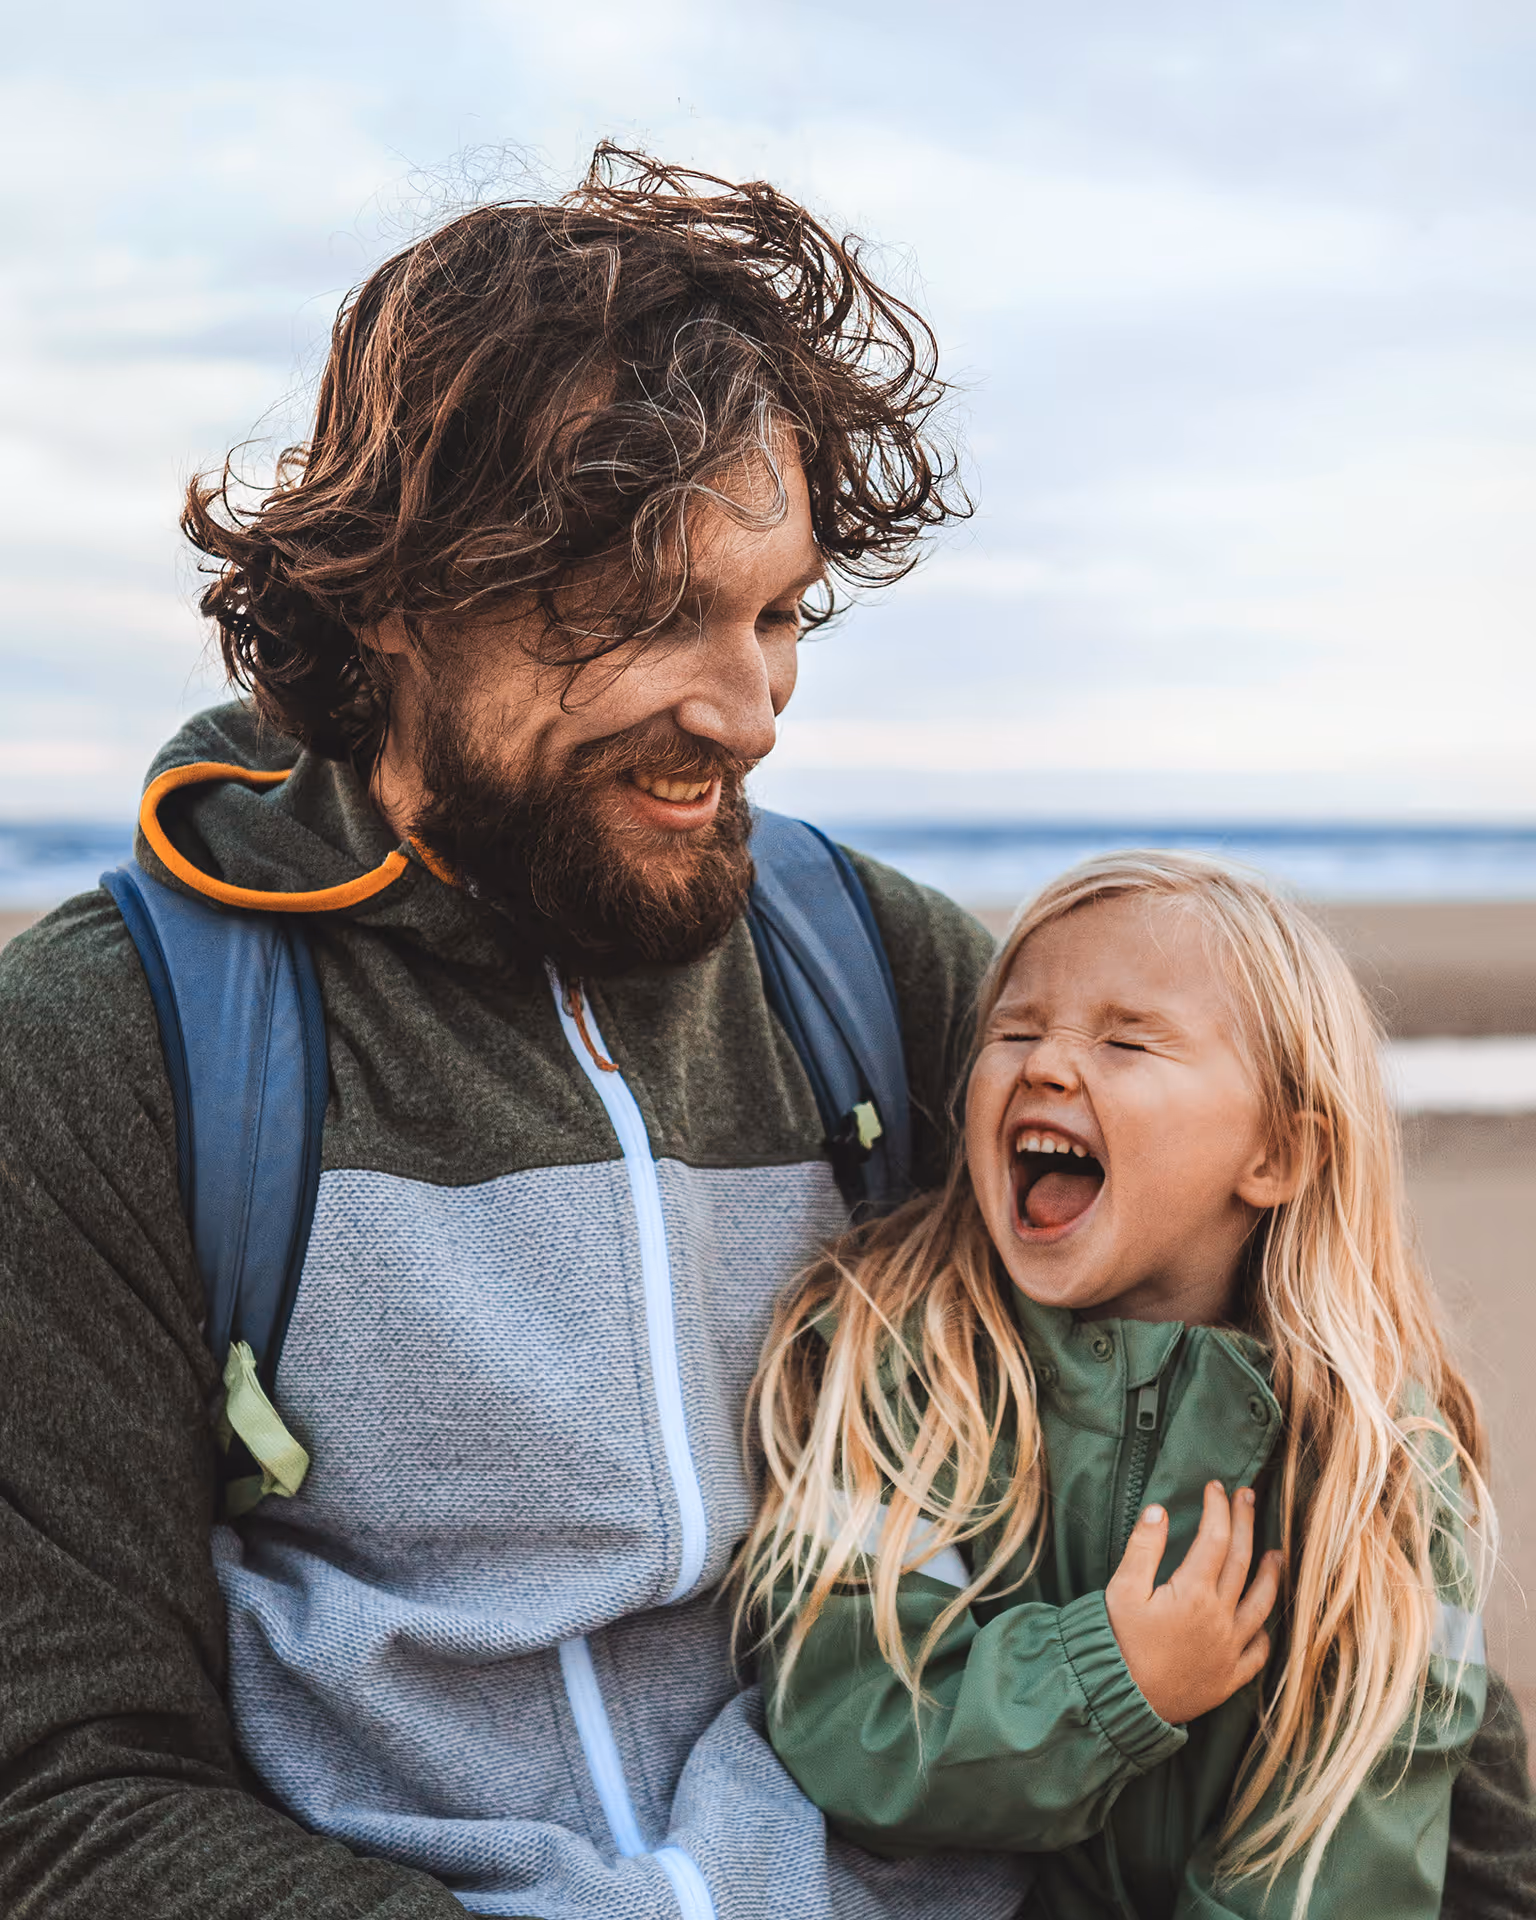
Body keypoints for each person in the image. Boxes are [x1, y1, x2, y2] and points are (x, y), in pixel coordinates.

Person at [0, 149, 1529, 1920]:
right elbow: (67, 1789)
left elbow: (1330, 1478)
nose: (748, 714)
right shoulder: (120, 1054)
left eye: (778, 611)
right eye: (652, 613)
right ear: (398, 603)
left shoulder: (876, 974)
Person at [742, 852, 1516, 1917]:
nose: (1048, 1066)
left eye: (1125, 1039)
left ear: (1279, 1153)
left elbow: (1347, 1854)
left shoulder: (1377, 1467)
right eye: (1013, 1031)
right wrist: (1109, 1683)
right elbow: (847, 1718)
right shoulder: (902, 1363)